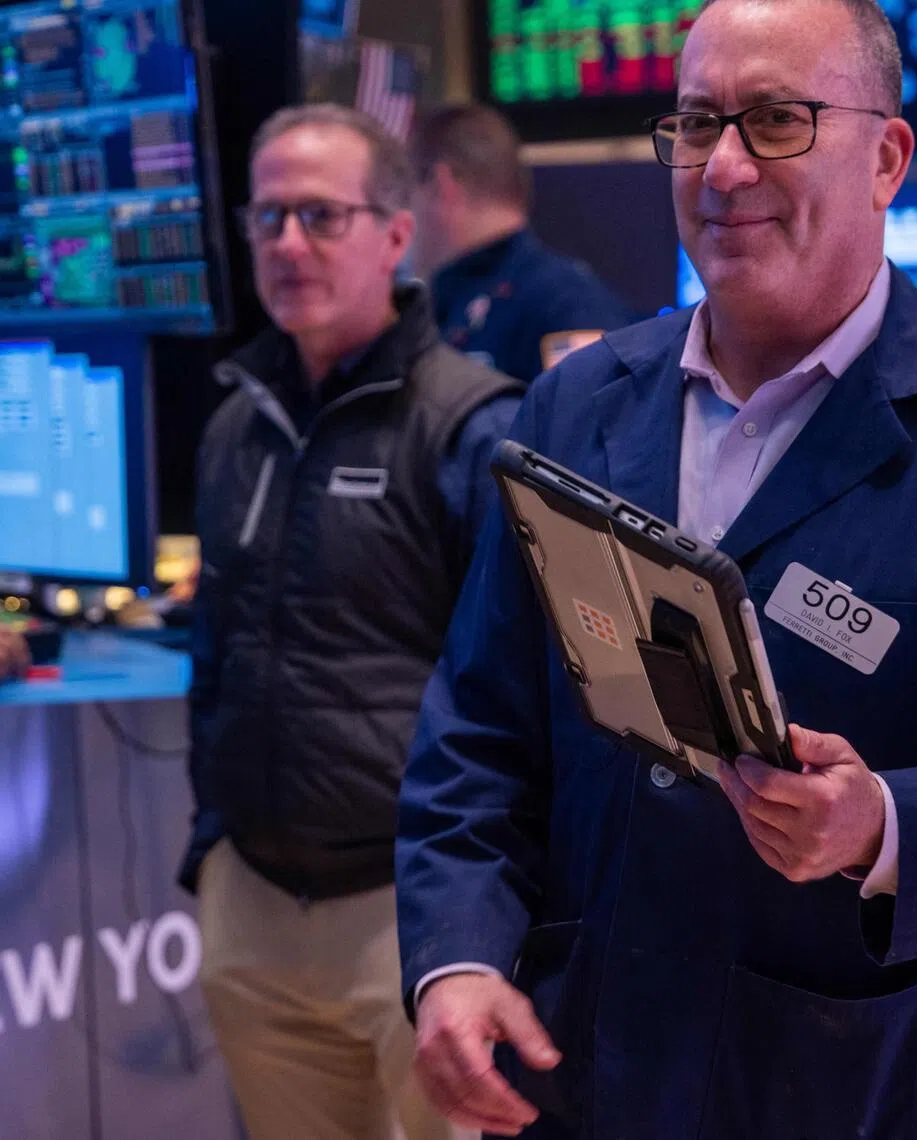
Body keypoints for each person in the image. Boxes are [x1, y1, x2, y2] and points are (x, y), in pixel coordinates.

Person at [395, 2, 917, 1138]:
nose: (726, 166)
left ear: (887, 157)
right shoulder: (572, 409)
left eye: (777, 120)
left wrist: (885, 823)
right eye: (698, 123)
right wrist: (454, 957)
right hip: (584, 1076)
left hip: (854, 1087)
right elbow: (479, 728)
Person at [178, 104, 520, 1140]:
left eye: (321, 216)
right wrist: (211, 855)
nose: (289, 245)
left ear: (395, 233)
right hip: (255, 907)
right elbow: (215, 654)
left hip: (408, 911)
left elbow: (523, 695)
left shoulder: (473, 424)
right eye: (269, 218)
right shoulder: (236, 422)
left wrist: (483, 918)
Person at [410, 102, 634, 383]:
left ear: (442, 186)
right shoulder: (436, 306)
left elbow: (593, 422)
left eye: (407, 195)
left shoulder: (566, 305)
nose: (404, 218)